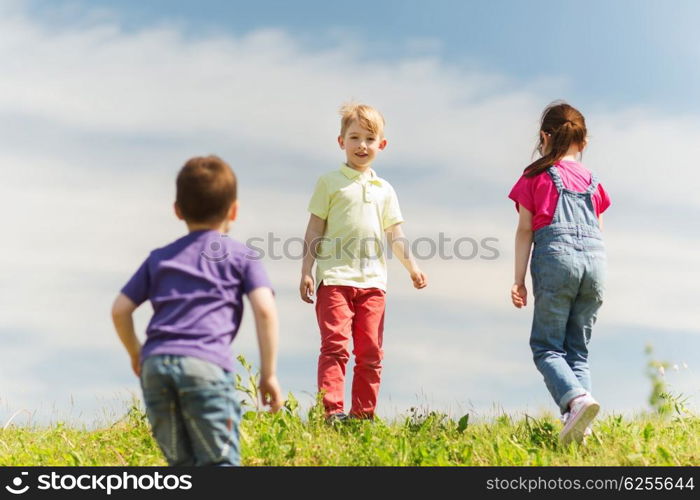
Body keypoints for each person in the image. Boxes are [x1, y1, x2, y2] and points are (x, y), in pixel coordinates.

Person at [111, 155, 282, 465]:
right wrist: (268, 374)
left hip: (156, 366)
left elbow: (120, 310)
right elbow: (265, 310)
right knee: (219, 463)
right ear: (234, 210)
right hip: (205, 364)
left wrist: (137, 353)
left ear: (177, 210)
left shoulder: (159, 257)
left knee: (181, 465)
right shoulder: (242, 256)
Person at [300, 103, 427, 422]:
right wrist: (306, 270)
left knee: (370, 352)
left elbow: (395, 235)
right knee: (335, 346)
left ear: (381, 145)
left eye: (370, 139)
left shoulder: (385, 190)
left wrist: (412, 267)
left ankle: (363, 416)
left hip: (373, 285)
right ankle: (331, 412)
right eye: (354, 137)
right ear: (341, 141)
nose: (362, 145)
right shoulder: (329, 182)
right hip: (334, 279)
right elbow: (315, 228)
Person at [508, 102, 611, 445]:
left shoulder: (534, 176)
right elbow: (599, 229)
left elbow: (525, 231)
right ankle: (581, 427)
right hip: (595, 266)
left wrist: (519, 279)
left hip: (557, 263)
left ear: (544, 137)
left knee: (546, 347)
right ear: (582, 143)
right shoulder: (593, 182)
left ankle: (575, 400)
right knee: (577, 351)